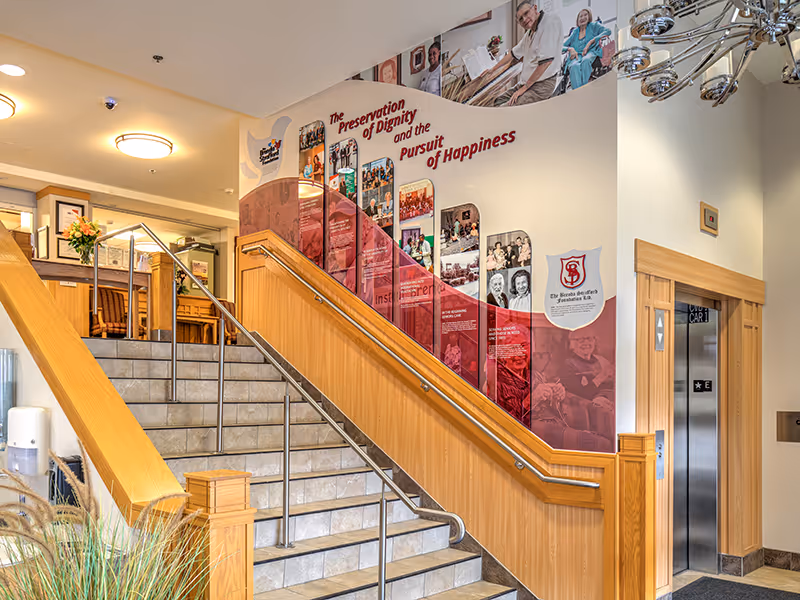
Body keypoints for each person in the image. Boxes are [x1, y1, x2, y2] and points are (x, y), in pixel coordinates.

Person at [486, 1, 563, 106]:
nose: (525, 19)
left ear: (535, 8)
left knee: (506, 108)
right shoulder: (530, 33)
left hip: (542, 85)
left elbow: (545, 63)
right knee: (495, 102)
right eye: (521, 19)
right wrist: (492, 70)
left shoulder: (549, 22)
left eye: (526, 13)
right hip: (528, 83)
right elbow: (512, 54)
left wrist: (523, 89)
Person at [559, 331, 614, 407]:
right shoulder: (568, 364)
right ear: (572, 343)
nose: (586, 343)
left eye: (589, 339)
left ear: (595, 341)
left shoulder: (602, 360)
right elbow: (578, 393)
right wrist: (601, 377)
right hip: (585, 407)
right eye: (581, 340)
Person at [562, 9, 611, 90]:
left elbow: (608, 31)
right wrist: (570, 49)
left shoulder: (594, 26)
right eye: (580, 16)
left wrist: (592, 40)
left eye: (585, 15)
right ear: (577, 20)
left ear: (589, 17)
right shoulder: (575, 32)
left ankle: (585, 89)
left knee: (586, 60)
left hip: (591, 51)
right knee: (574, 66)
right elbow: (561, 47)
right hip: (577, 56)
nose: (583, 18)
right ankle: (578, 92)